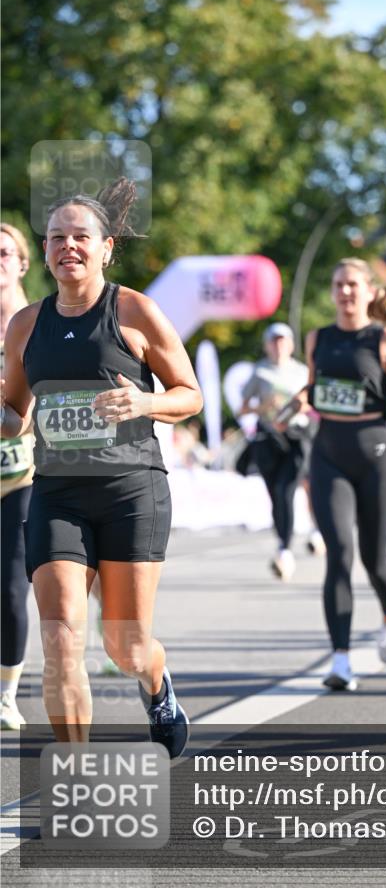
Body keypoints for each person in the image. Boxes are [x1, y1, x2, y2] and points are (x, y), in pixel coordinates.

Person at [0, 179, 202, 756]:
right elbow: (15, 415)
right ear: (44, 252)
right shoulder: (26, 326)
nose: (69, 246)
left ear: (106, 247)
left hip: (130, 491)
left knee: (127, 646)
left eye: (81, 237)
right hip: (57, 494)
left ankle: (156, 686)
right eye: (57, 237)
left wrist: (145, 403)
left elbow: (191, 394)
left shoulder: (134, 309)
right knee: (61, 638)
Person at [277, 258, 386, 690]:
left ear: (369, 292)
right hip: (329, 454)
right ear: (332, 292)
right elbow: (315, 387)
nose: (345, 292)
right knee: (339, 555)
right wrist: (292, 407)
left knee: (374, 556)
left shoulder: (384, 338)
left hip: (377, 455)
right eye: (338, 284)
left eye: (352, 285)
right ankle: (341, 661)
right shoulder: (318, 338)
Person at [239, 322, 313, 580]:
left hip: (296, 436)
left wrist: (295, 409)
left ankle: (285, 550)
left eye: (283, 340)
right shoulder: (259, 372)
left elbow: (313, 405)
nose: (279, 345)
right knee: (276, 494)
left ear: (291, 344)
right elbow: (243, 409)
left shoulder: (303, 372)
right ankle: (283, 543)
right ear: (267, 345)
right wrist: (264, 407)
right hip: (269, 439)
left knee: (287, 490)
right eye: (274, 341)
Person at [0, 224, 35, 730]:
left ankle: (6, 693)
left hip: (23, 474)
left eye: (3, 252)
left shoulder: (38, 323)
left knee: (9, 590)